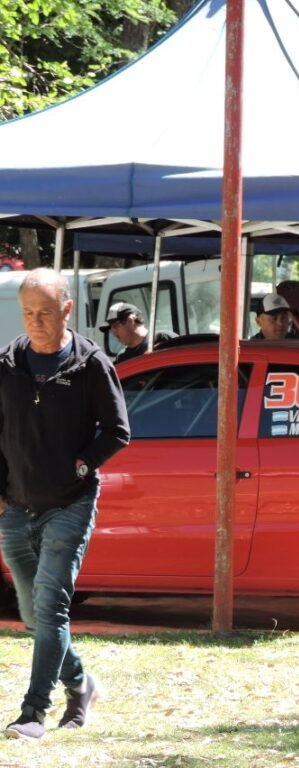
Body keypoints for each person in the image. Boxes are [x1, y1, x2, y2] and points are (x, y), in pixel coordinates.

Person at [0, 268, 130, 740]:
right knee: (33, 614)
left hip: (70, 503)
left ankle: (33, 712)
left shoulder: (92, 365)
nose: (36, 322)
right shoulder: (7, 365)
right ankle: (81, 684)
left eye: (46, 313)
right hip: (16, 504)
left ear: (67, 310)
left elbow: (118, 432)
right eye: (28, 313)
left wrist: (80, 465)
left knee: (50, 608)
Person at [100, 302, 177, 364]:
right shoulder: (122, 358)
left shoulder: (164, 339)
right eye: (110, 329)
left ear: (131, 321)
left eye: (115, 326)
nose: (113, 332)